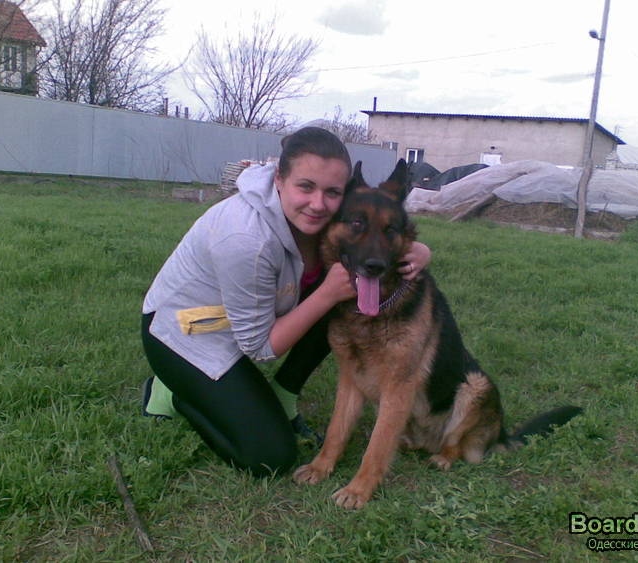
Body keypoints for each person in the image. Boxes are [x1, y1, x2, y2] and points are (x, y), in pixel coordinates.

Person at [140, 127, 431, 477]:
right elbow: (259, 347)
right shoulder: (245, 238)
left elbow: (375, 231)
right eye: (305, 186)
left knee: (344, 292)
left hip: (251, 316)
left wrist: (417, 250)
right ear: (279, 178)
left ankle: (283, 395)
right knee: (269, 457)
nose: (318, 204)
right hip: (185, 333)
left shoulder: (324, 218)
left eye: (332, 192)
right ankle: (173, 393)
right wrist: (326, 294)